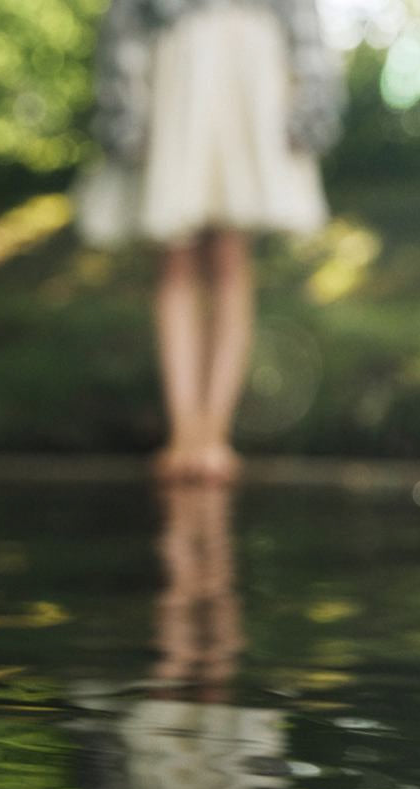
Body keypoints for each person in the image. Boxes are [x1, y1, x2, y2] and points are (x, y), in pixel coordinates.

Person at [77, 0, 343, 484]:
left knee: (229, 255)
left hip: (249, 67)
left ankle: (213, 435)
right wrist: (122, 101)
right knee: (174, 254)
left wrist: (312, 98)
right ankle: (184, 433)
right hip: (175, 67)